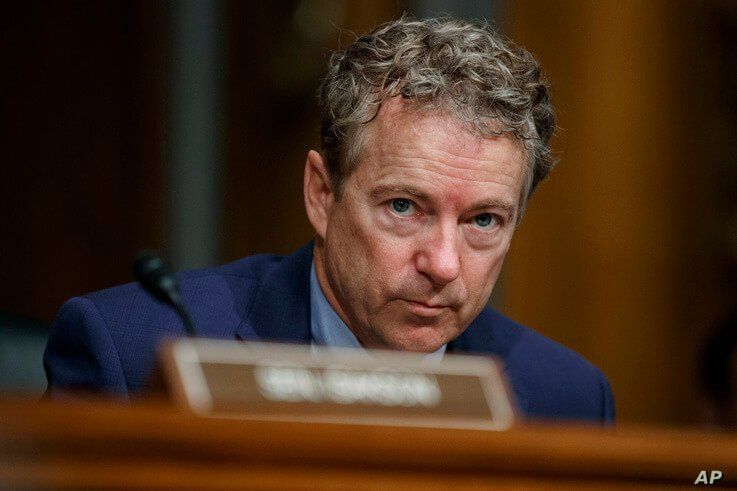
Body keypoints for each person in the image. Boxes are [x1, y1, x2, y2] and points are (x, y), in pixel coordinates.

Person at [44, 16, 615, 423]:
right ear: (321, 195)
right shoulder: (130, 351)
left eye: (484, 221)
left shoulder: (564, 398)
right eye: (403, 207)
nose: (443, 265)